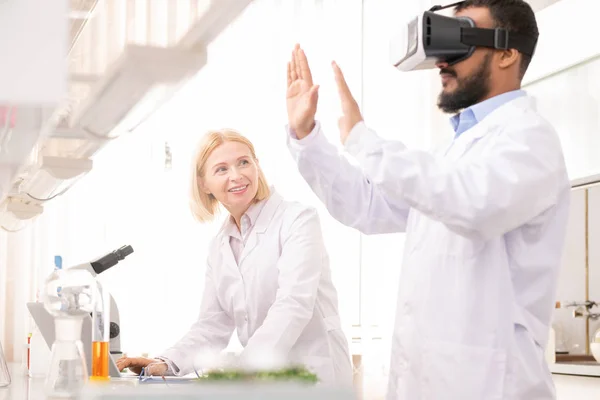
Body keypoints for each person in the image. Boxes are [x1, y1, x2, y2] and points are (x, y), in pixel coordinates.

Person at [284, 1, 570, 399]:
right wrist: (308, 137)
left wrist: (362, 139)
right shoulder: (450, 152)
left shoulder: (530, 140)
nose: (442, 63)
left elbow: (473, 204)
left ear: (508, 53)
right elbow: (366, 205)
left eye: (460, 42)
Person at [116, 129, 353, 387]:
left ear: (256, 166)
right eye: (221, 169)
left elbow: (294, 304)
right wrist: (166, 363)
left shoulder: (298, 220)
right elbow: (212, 325)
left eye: (243, 162)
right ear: (204, 183)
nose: (236, 175)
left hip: (314, 376)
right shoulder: (220, 246)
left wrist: (242, 368)